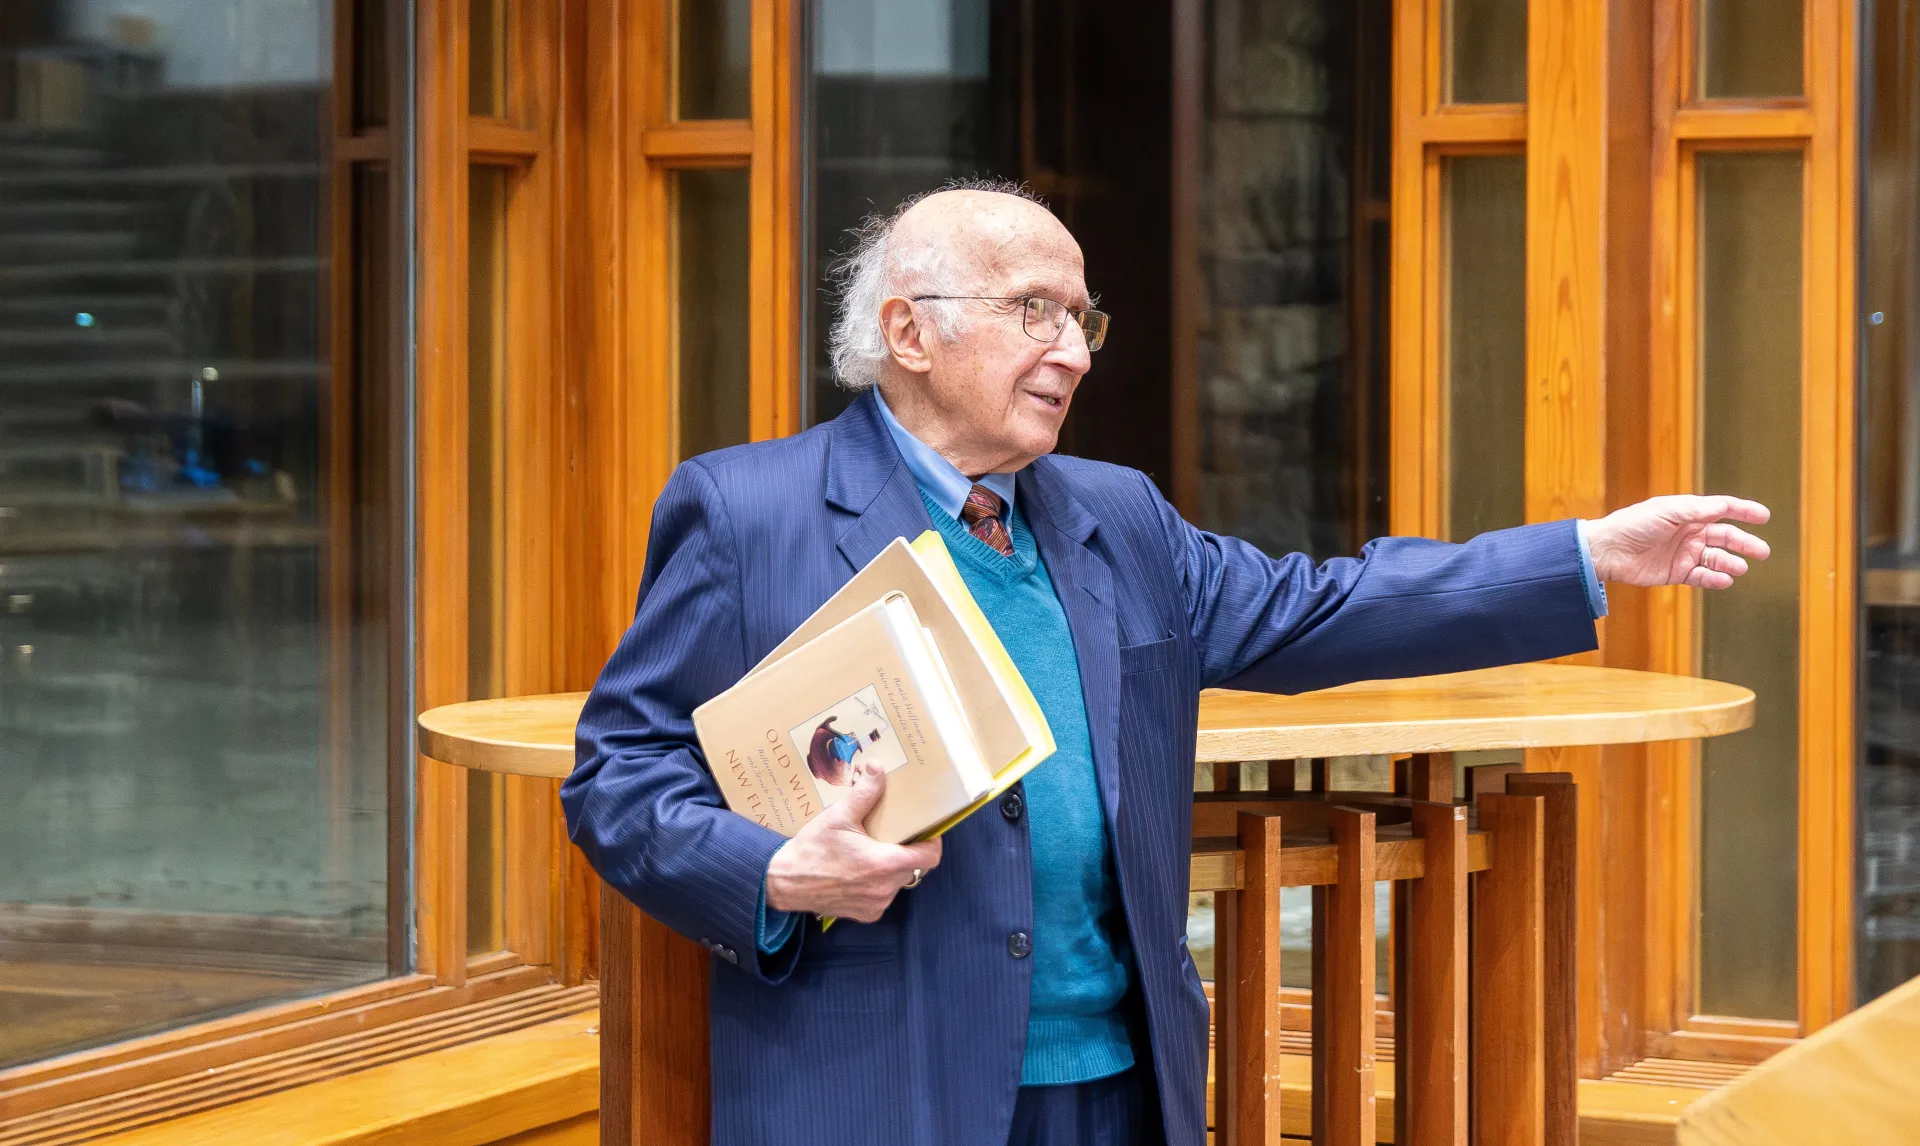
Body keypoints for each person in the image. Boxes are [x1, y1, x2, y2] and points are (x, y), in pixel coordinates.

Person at [562, 180, 1770, 1146]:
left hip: (1121, 1083)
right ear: (907, 332)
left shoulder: (1117, 515)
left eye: (1081, 318)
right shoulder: (747, 510)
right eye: (1034, 309)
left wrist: (1586, 555)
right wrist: (775, 873)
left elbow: (1326, 609)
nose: (1075, 351)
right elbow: (618, 777)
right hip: (881, 1083)